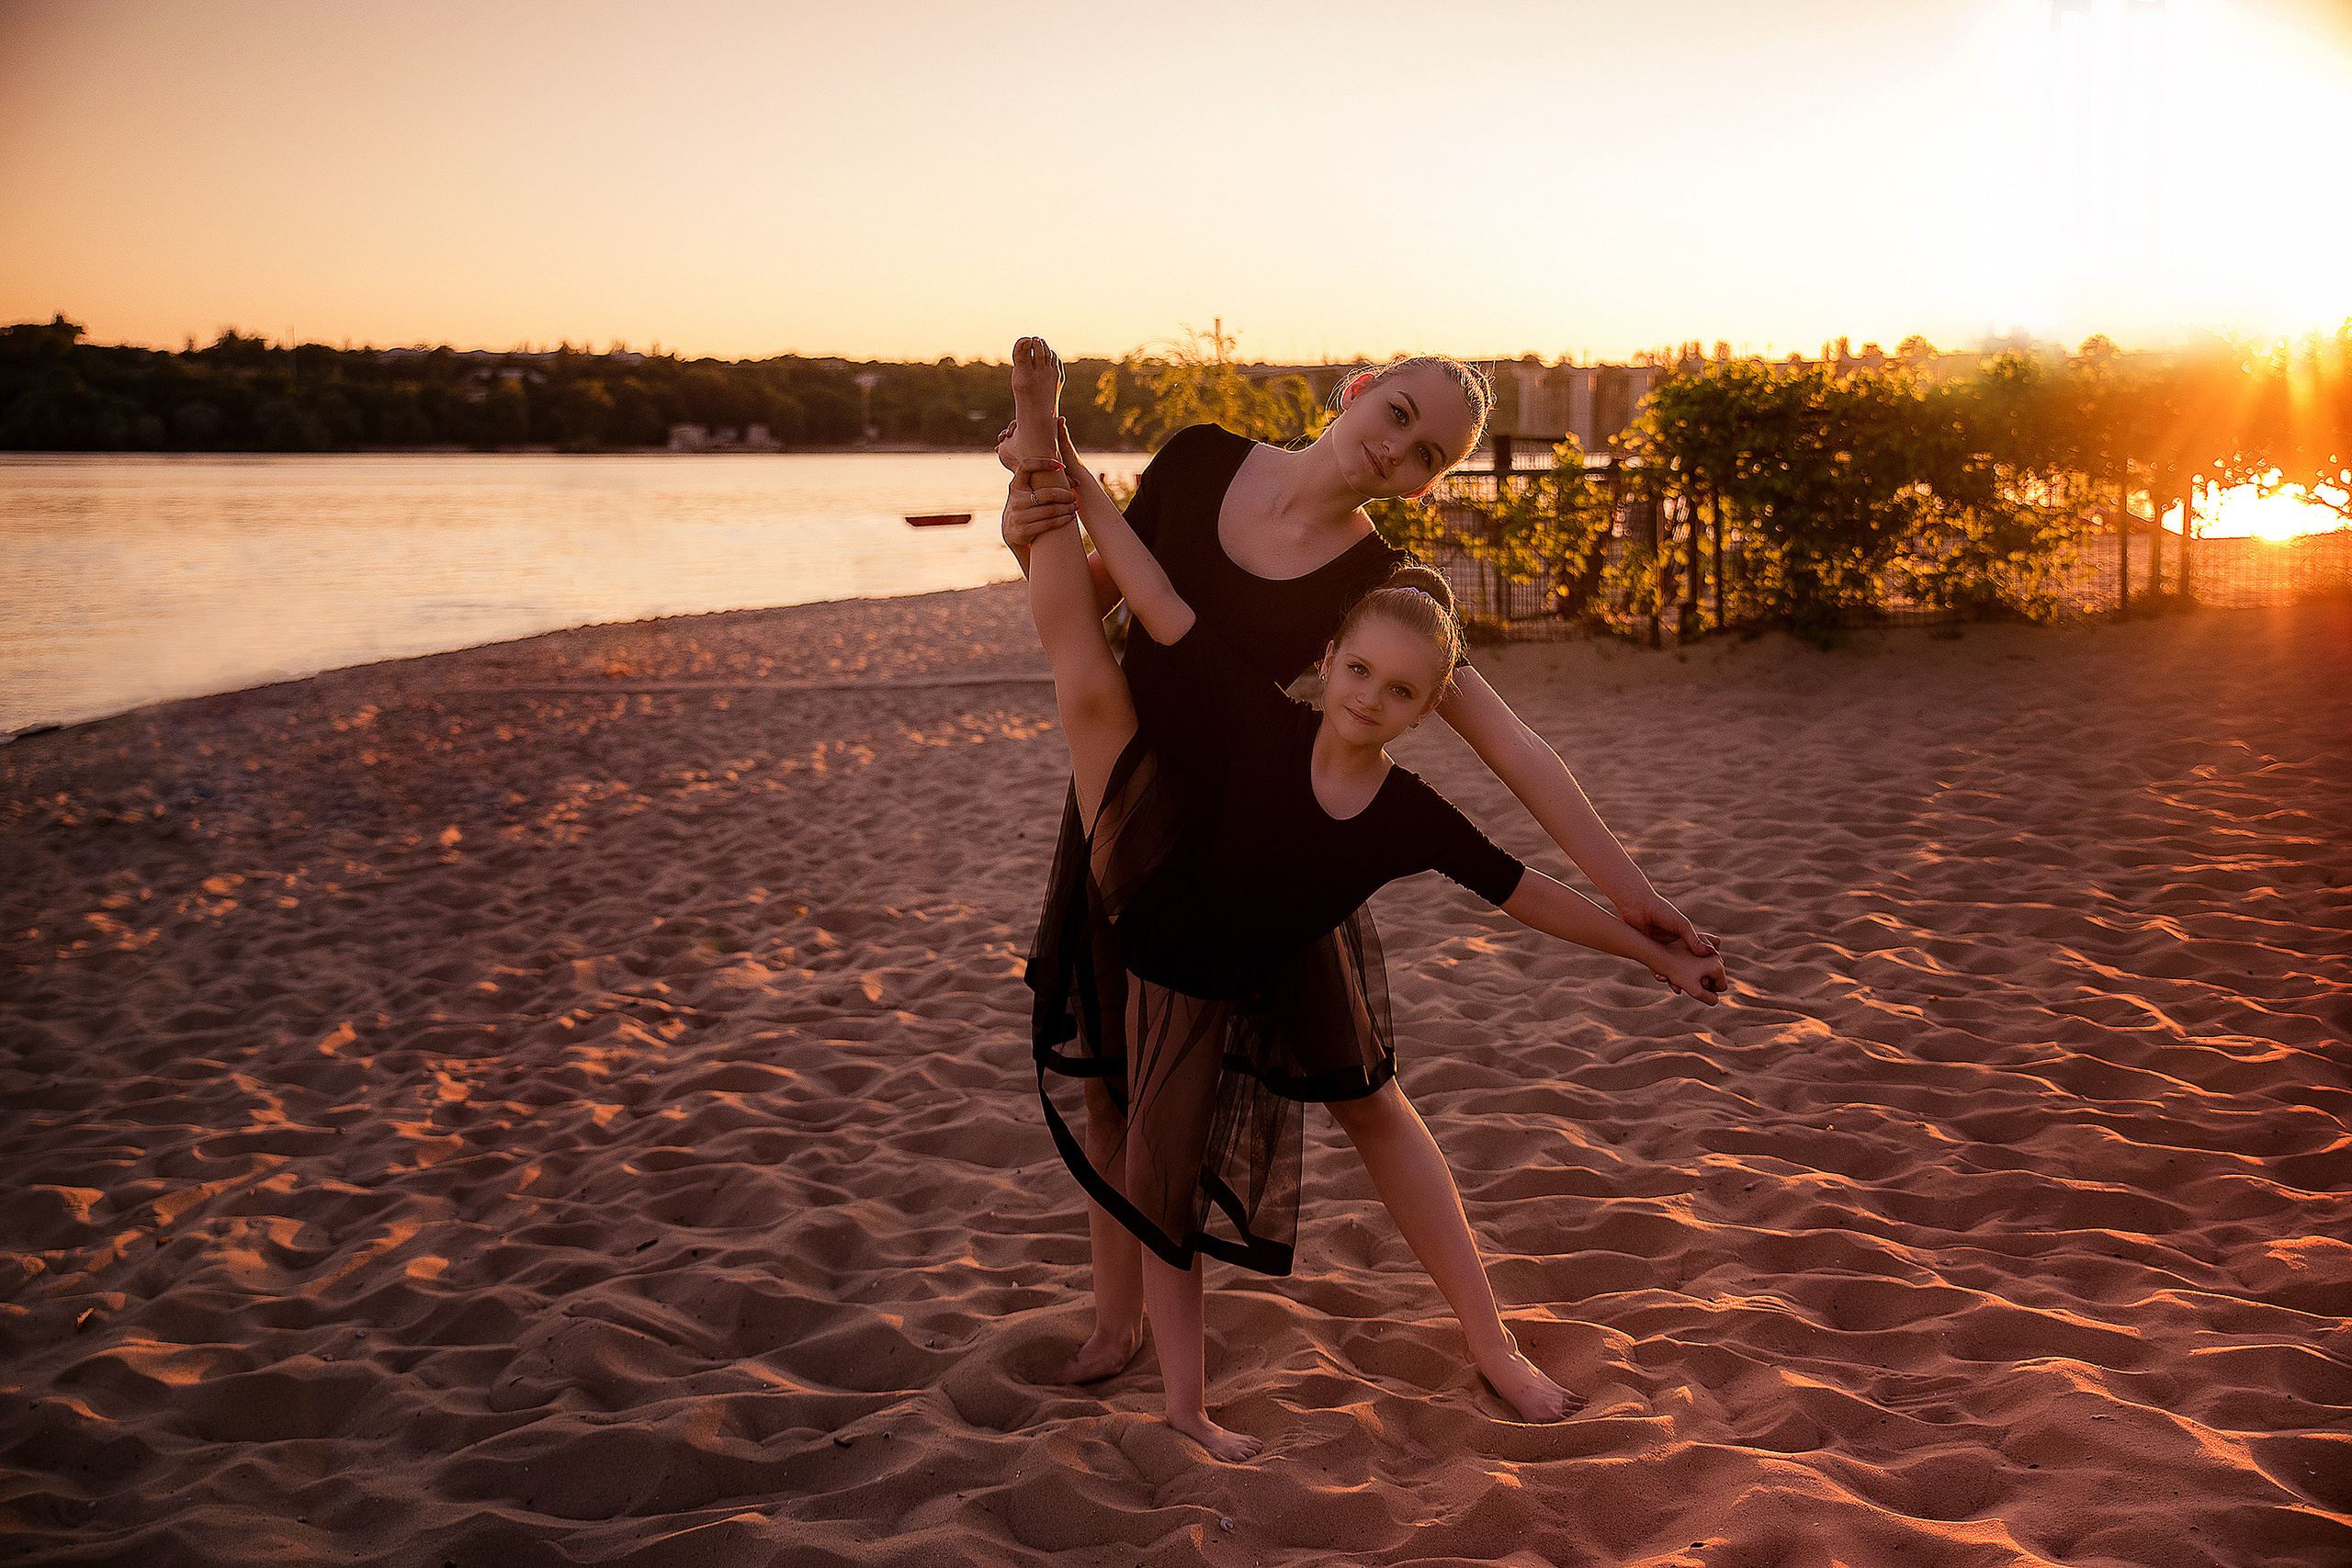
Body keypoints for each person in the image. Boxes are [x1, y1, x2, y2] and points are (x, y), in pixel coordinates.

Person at [1009, 336, 1727, 1461]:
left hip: (1276, 828)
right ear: (1357, 391)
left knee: (1366, 1096)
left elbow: (1517, 752)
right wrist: (1031, 531)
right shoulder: (1197, 460)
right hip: (1125, 807)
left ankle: (1492, 1346)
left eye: (1425, 452)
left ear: (1425, 481)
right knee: (1116, 1083)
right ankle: (1118, 1325)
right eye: (1395, 413)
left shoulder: (1373, 588)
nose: (1396, 447)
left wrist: (1635, 902)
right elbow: (1103, 602)